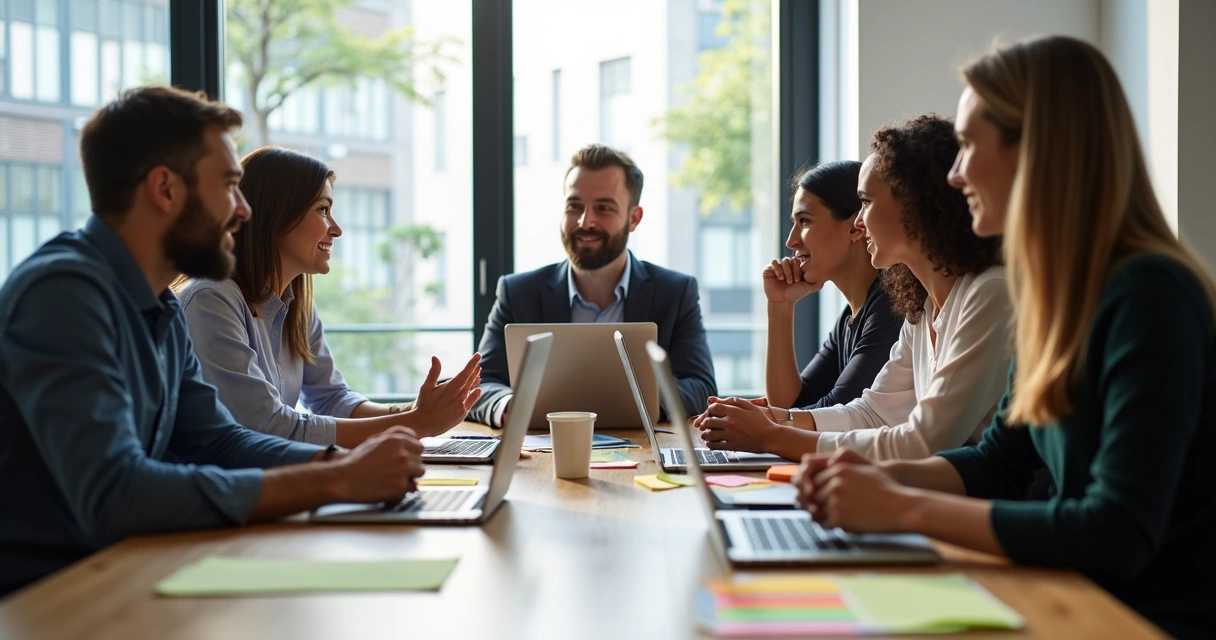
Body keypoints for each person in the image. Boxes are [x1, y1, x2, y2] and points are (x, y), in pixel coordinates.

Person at [794, 36, 1216, 639]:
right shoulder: (1054, 294)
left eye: (968, 145)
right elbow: (999, 461)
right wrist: (869, 479)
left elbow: (1116, 531)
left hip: (1138, 620)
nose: (955, 172)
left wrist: (902, 506)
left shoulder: (1148, 293)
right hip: (1071, 596)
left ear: (1039, 150)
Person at [0, 86, 425, 596]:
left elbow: (218, 440)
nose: (244, 210)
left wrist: (338, 463)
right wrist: (335, 481)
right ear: (165, 190)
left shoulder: (158, 303)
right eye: (229, 185)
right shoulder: (64, 294)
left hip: (130, 569)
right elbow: (115, 492)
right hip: (51, 596)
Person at [698, 114, 1011, 461]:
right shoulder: (921, 309)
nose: (860, 223)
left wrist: (771, 435)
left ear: (914, 204)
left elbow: (923, 441)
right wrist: (771, 418)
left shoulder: (989, 294)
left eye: (866, 202)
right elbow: (871, 414)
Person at [177, 146, 481, 448]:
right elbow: (267, 426)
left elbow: (332, 399)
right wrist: (417, 424)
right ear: (275, 215)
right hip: (220, 492)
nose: (336, 230)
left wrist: (414, 411)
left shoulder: (298, 307)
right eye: (323, 210)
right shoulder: (210, 300)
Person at [469, 143, 716, 427]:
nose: (586, 221)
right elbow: (481, 384)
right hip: (542, 455)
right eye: (574, 206)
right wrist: (509, 405)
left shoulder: (675, 292)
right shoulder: (517, 292)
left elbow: (701, 386)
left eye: (604, 208)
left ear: (633, 218)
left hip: (642, 453)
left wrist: (641, 401)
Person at [757, 162, 902, 411]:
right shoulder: (850, 315)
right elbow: (792, 404)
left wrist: (760, 421)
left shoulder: (891, 306)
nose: (791, 240)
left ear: (856, 227)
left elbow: (835, 413)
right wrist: (780, 305)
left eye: (804, 221)